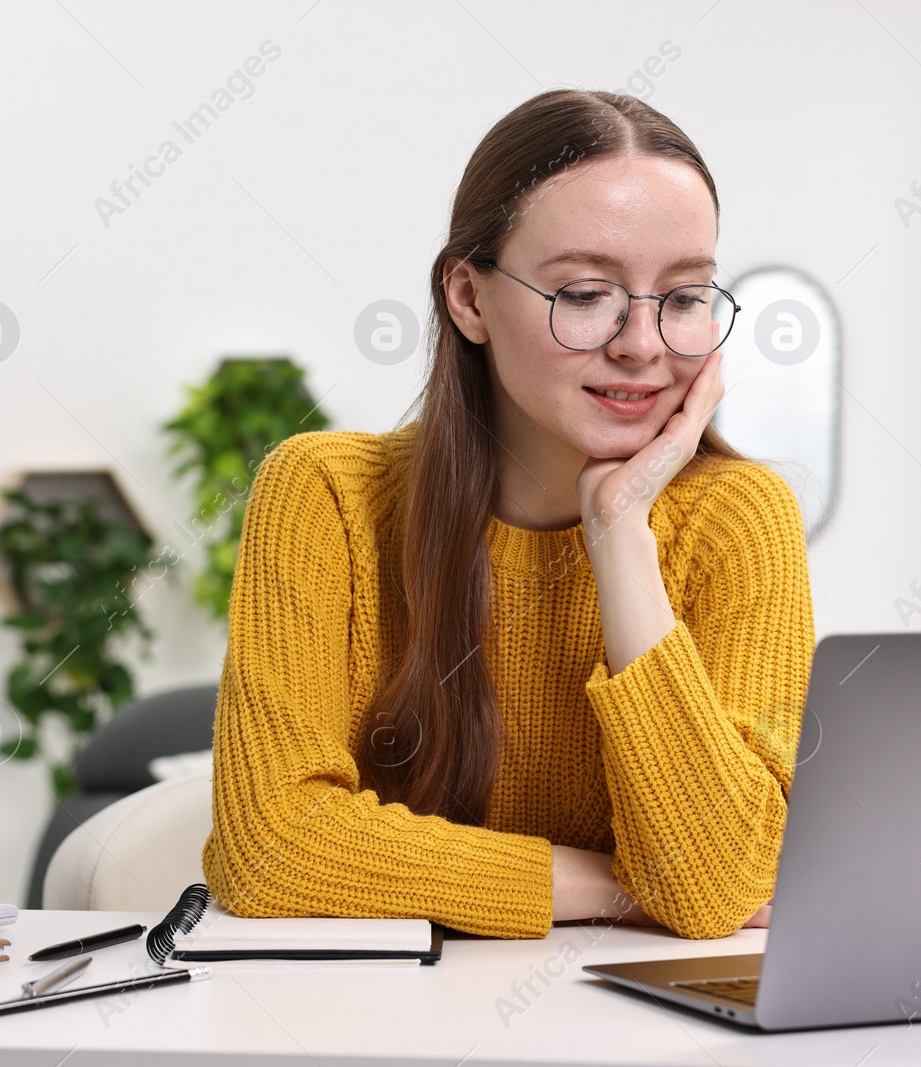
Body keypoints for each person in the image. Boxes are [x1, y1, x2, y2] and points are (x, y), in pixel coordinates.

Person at [202, 89, 815, 940]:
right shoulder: (327, 495)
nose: (642, 344)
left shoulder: (739, 517)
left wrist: (620, 531)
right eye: (587, 292)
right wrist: (612, 883)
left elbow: (717, 885)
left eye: (682, 298)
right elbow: (270, 848)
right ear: (469, 298)